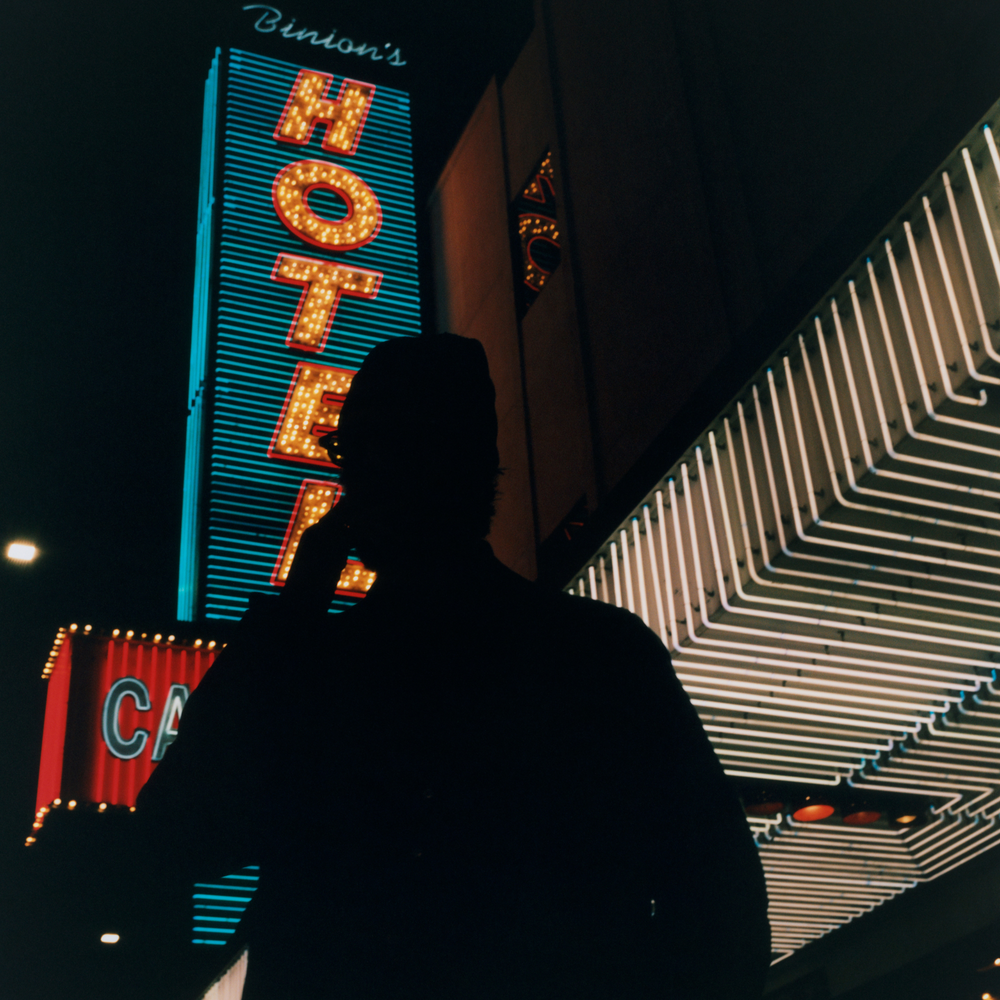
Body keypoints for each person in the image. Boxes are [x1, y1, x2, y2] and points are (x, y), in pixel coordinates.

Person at [136, 333, 770, 998]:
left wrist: (291, 618)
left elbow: (177, 836)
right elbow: (717, 900)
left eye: (364, 455)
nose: (349, 479)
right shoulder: (598, 650)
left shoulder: (314, 671)